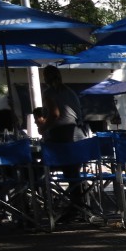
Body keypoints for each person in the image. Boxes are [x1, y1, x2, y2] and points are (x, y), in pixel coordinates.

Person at [41, 65, 89, 220]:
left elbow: (54, 114)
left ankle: (74, 207)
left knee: (54, 169)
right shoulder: (69, 91)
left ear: (45, 77)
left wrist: (44, 128)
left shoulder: (49, 92)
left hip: (62, 134)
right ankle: (79, 205)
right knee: (74, 173)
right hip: (79, 134)